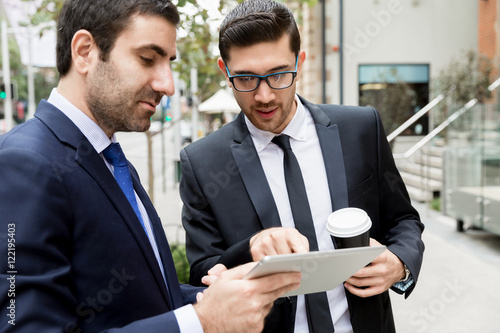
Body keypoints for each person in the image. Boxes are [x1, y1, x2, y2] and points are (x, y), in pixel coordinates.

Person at [0, 0, 302, 332]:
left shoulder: (112, 161)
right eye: (147, 59)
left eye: (168, 63)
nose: (167, 85)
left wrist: (220, 292)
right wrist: (200, 321)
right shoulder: (24, 163)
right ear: (84, 51)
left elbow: (148, 298)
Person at [180, 0, 425, 332]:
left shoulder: (361, 128)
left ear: (300, 61)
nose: (264, 95)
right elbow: (202, 271)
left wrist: (399, 264)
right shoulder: (202, 162)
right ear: (225, 71)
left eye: (279, 74)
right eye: (246, 79)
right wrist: (250, 249)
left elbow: (403, 219)